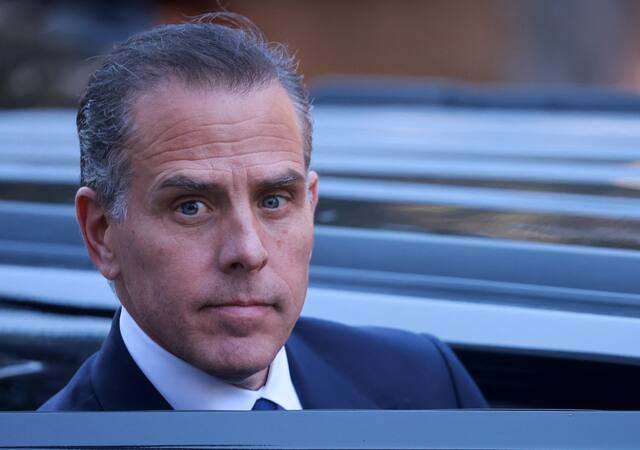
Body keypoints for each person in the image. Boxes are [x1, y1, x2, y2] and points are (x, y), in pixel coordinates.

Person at [38, 13, 487, 411]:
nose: (248, 251)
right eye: (191, 207)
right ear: (101, 233)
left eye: (274, 200)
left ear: (310, 204)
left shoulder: (425, 385)